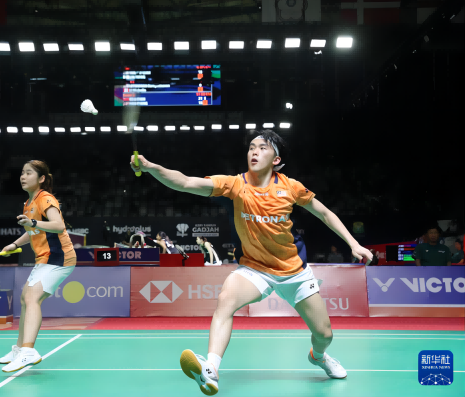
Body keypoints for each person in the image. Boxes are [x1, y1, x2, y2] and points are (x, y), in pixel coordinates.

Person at [130, 129, 373, 394]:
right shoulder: (235, 185)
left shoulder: (290, 187)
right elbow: (186, 182)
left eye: (262, 148)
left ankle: (318, 356)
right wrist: (151, 167)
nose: (254, 152)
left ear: (276, 160)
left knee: (324, 334)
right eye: (251, 148)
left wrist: (354, 243)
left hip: (294, 271)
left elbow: (324, 213)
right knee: (226, 299)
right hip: (254, 269)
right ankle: (210, 369)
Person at [0, 160, 76, 373]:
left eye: (28, 173)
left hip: (59, 257)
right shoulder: (29, 203)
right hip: (44, 258)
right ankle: (19, 350)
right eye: (22, 173)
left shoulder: (45, 198)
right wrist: (14, 244)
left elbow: (58, 225)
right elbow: (33, 230)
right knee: (26, 298)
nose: (23, 176)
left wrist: (32, 223)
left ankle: (28, 351)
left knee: (32, 298)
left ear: (41, 178)